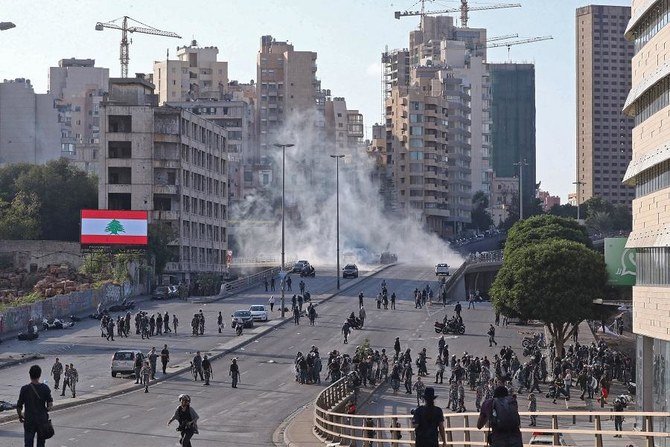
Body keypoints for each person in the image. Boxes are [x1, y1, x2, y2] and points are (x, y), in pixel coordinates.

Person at [17, 365, 53, 447]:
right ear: (40, 375)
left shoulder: (24, 389)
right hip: (42, 421)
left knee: (28, 443)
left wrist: (20, 416)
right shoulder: (45, 388)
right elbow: (50, 404)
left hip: (29, 420)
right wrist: (46, 410)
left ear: (30, 375)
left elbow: (19, 406)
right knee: (41, 443)